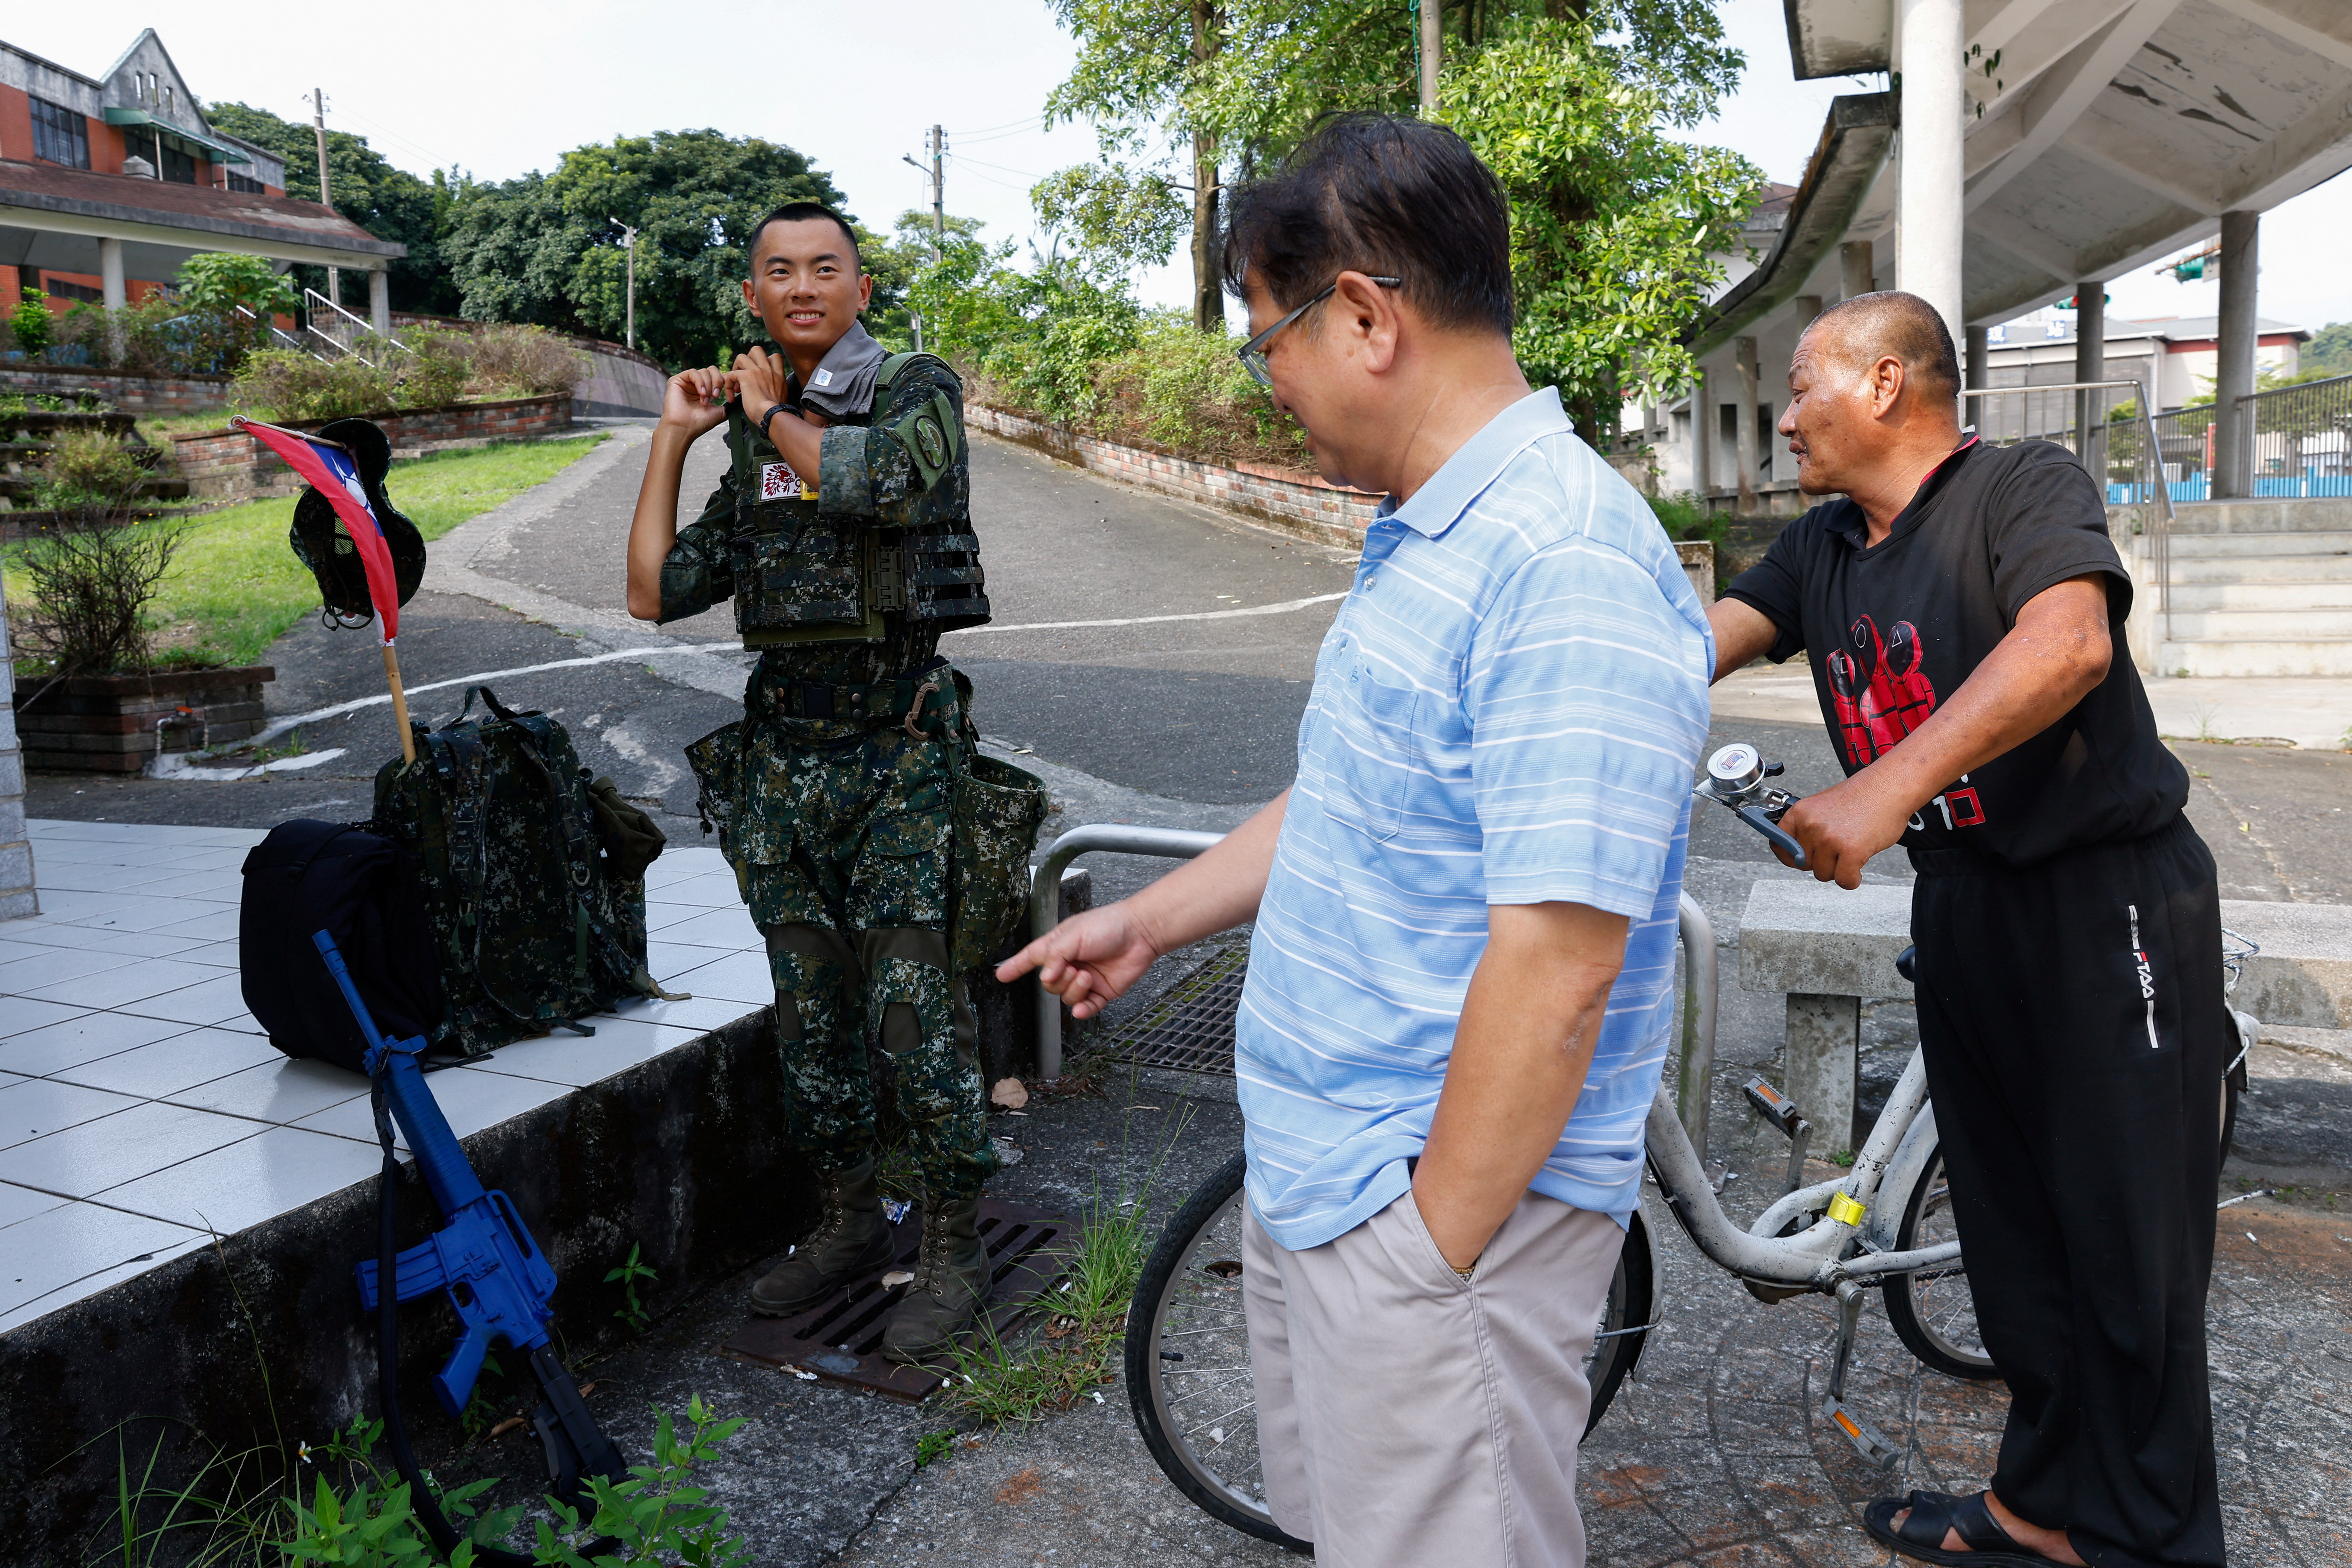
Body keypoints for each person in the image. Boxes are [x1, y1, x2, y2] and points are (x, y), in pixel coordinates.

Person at [999, 114, 1712, 1568]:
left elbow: (1560, 962)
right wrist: (1156, 917)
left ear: (1367, 316)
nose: (1271, 390)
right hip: (1335, 1170)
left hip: (1430, 1210)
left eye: (1269, 342)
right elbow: (1356, 799)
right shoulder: (1437, 530)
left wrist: (1429, 1248)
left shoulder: (1560, 560)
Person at [1708, 292, 2227, 1568]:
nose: (1784, 417)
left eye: (1802, 383)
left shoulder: (2017, 487)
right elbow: (1698, 640)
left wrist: (1883, 790)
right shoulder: (1822, 545)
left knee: (2126, 1249)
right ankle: (2042, 1508)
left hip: (2104, 900)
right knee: (2014, 1245)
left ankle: (2152, 1543)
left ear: (1887, 383)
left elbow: (2066, 647)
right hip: (1967, 904)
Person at [625, 201, 1005, 1364]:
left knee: (911, 1010)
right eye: (778, 272)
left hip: (896, 761)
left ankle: (954, 1243)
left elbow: (876, 482)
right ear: (752, 297)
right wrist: (672, 441)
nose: (801, 287)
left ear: (861, 289)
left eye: (824, 269)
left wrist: (767, 410)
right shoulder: (748, 433)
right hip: (783, 769)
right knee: (814, 1015)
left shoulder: (914, 388)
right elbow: (652, 590)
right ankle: (845, 1220)